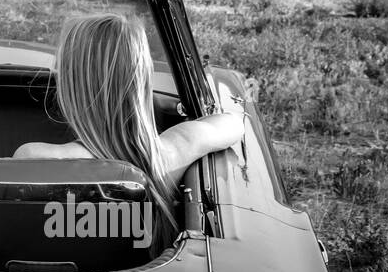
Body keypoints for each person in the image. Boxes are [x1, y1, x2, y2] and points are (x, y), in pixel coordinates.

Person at [13, 13, 244, 243]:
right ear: (142, 82)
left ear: (73, 90)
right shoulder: (171, 152)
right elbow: (234, 123)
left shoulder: (35, 158)